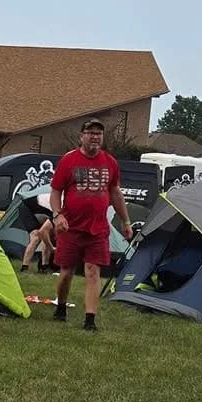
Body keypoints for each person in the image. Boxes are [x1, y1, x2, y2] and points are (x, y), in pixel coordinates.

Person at [50, 119, 132, 331]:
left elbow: (115, 193)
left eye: (99, 133)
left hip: (97, 229)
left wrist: (126, 222)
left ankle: (90, 320)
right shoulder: (69, 161)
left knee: (93, 271)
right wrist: (58, 215)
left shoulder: (110, 162)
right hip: (70, 228)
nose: (95, 136)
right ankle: (60, 306)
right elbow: (56, 191)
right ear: (81, 136)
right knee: (66, 272)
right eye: (90, 132)